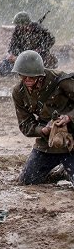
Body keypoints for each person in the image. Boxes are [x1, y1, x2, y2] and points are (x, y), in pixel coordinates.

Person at [10, 50, 74, 185]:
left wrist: (68, 117)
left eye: (31, 77)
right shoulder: (19, 92)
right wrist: (43, 130)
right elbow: (25, 124)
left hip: (72, 140)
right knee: (27, 181)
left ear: (40, 75)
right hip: (47, 142)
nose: (27, 80)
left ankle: (66, 171)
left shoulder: (61, 81)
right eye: (23, 76)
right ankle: (60, 173)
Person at [0, 12, 57, 76]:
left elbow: (51, 40)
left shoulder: (39, 29)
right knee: (4, 66)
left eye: (19, 25)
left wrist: (39, 50)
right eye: (17, 25)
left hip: (38, 56)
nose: (17, 27)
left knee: (42, 68)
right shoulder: (18, 31)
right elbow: (12, 46)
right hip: (22, 55)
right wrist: (12, 55)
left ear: (25, 24)